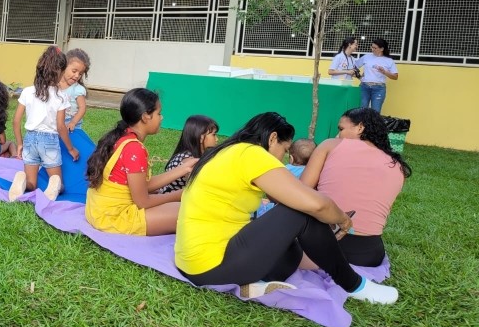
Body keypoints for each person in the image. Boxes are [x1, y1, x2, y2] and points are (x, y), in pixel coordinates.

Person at [174, 112, 399, 303]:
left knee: (292, 251)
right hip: (210, 265)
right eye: (285, 149)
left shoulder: (229, 151)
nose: (283, 160)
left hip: (195, 262)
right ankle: (355, 285)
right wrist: (342, 218)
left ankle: (256, 283)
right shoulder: (252, 154)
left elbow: (277, 197)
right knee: (300, 211)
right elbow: (315, 203)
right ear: (272, 139)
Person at [300, 107, 411, 267]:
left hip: (322, 247)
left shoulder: (330, 145)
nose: (338, 135)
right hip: (369, 254)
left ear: (360, 127)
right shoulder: (398, 166)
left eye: (341, 129)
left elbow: (301, 193)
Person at [85, 88, 196, 236]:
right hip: (114, 217)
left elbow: (142, 185)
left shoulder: (122, 138)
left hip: (99, 211)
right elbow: (142, 202)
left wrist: (183, 169)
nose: (161, 118)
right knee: (190, 213)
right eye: (159, 113)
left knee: (181, 208)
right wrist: (179, 195)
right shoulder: (134, 149)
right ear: (145, 117)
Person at [9, 46, 79, 202]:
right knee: (59, 185)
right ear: (60, 72)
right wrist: (71, 148)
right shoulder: (61, 96)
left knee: (31, 184)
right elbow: (61, 127)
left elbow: (16, 120)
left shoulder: (27, 91)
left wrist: (20, 143)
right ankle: (55, 186)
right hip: (49, 141)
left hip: (29, 139)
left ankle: (22, 179)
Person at [158, 115, 219, 194]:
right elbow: (196, 187)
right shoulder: (188, 160)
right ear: (201, 138)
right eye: (213, 135)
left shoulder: (191, 154)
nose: (217, 139)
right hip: (172, 200)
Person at [354, 38, 398, 113]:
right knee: (361, 111)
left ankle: (372, 125)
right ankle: (361, 125)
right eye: (372, 47)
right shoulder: (366, 57)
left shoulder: (389, 60)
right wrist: (360, 77)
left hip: (379, 88)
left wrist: (384, 72)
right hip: (364, 87)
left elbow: (395, 76)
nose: (372, 49)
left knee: (375, 112)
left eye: (375, 48)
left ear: (382, 49)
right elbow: (354, 67)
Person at [59, 48, 90, 131]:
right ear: (64, 67)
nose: (77, 76)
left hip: (72, 126)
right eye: (74, 71)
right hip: (57, 124)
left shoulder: (77, 90)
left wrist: (73, 122)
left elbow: (82, 108)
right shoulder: (54, 86)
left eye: (80, 74)